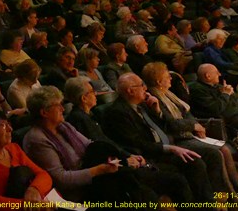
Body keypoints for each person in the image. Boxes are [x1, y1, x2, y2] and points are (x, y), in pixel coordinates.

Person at [64, 77, 193, 204]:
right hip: (114, 169)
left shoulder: (91, 115)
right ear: (84, 98)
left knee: (181, 171)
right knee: (176, 180)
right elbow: (101, 149)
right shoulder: (80, 119)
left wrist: (129, 155)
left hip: (125, 158)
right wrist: (127, 158)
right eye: (92, 92)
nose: (96, 94)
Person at [23, 86, 150, 203]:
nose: (62, 109)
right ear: (44, 112)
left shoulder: (64, 126)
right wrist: (100, 169)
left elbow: (90, 145)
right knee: (128, 182)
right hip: (78, 193)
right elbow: (61, 179)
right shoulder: (37, 139)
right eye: (57, 106)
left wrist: (122, 160)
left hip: (96, 178)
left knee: (115, 164)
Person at [103, 73, 214, 202]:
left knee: (206, 157)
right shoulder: (118, 112)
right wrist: (170, 149)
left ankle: (214, 203)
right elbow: (138, 143)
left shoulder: (144, 104)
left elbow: (167, 126)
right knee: (191, 166)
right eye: (141, 85)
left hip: (168, 146)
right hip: (151, 155)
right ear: (130, 90)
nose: (145, 88)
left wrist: (157, 110)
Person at [141, 62, 236, 195]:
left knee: (225, 149)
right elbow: (172, 124)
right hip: (179, 138)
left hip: (189, 133)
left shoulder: (168, 94)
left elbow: (187, 113)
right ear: (158, 81)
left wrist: (196, 126)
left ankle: (237, 192)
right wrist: (193, 125)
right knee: (217, 153)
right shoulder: (154, 98)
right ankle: (231, 196)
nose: (171, 78)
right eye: (167, 76)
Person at [0, 109, 53, 205]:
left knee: (70, 206)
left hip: (37, 202)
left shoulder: (14, 148)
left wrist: (34, 189)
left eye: (8, 124)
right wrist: (28, 205)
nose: (10, 129)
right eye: (3, 126)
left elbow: (43, 175)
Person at [189, 63, 238, 137]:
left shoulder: (217, 86)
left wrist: (231, 93)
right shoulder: (197, 89)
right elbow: (215, 109)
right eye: (216, 72)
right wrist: (226, 94)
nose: (219, 74)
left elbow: (236, 102)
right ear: (208, 76)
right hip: (225, 121)